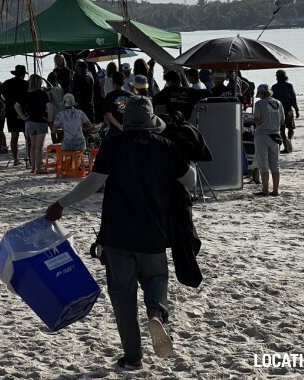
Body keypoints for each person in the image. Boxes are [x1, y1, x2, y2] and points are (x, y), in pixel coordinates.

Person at [46, 97, 196, 367]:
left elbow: (93, 183)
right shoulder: (166, 147)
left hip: (117, 234)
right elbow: (191, 180)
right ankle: (155, 313)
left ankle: (133, 358)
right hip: (153, 233)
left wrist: (61, 204)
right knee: (156, 278)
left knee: (123, 297)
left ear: (126, 122)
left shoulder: (113, 145)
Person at [14, 74, 53, 174]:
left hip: (30, 121)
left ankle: (33, 168)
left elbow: (16, 106)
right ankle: (38, 168)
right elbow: (49, 107)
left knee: (33, 146)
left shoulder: (26, 94)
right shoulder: (43, 94)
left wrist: (23, 117)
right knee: (39, 147)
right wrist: (49, 119)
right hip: (41, 121)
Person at [252, 84, 285, 196]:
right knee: (275, 164)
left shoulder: (259, 104)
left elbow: (257, 120)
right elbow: (282, 121)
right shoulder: (278, 103)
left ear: (260, 93)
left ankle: (265, 190)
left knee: (263, 164)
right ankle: (275, 190)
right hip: (275, 136)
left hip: (262, 135)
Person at [0, 65, 29, 166]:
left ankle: (16, 159)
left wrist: (4, 102)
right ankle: (29, 156)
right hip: (23, 111)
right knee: (27, 135)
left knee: (14, 136)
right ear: (23, 74)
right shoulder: (26, 84)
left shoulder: (8, 82)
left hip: (10, 110)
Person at [271, 69, 299, 154]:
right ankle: (288, 141)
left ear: (277, 77)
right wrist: (296, 109)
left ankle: (286, 145)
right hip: (288, 109)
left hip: (278, 110)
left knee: (282, 128)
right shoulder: (289, 86)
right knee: (291, 127)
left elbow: (272, 101)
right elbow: (293, 98)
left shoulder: (274, 87)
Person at [103, 72, 134, 137]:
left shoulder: (110, 96)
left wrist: (120, 127)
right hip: (129, 129)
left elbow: (108, 115)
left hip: (114, 131)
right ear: (123, 82)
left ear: (113, 82)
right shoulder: (131, 95)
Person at [47, 71, 65, 143]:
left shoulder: (49, 90)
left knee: (53, 131)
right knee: (60, 131)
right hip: (61, 112)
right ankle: (60, 144)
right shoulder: (61, 89)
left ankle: (54, 145)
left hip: (53, 113)